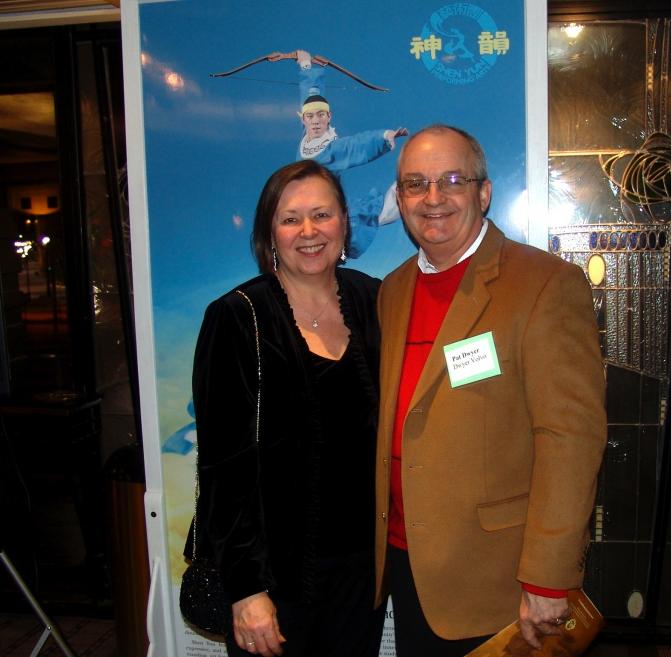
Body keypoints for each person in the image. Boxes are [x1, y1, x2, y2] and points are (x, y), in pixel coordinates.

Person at [374, 124, 607, 656]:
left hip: (500, 579)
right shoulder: (393, 290)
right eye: (415, 184)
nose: (432, 198)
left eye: (452, 180)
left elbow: (570, 438)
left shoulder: (544, 284)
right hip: (409, 567)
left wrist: (548, 579)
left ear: (484, 192)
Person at [190, 159, 384, 657]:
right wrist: (246, 589)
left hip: (363, 571)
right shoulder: (236, 318)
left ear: (344, 222)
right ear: (268, 234)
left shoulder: (374, 300)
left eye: (322, 214)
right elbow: (222, 470)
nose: (309, 231)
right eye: (290, 218)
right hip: (274, 580)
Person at [295, 50, 407, 257]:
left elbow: (355, 146)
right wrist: (305, 66)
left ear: (329, 116)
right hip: (307, 207)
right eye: (310, 116)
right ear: (303, 119)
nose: (316, 121)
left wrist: (383, 136)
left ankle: (404, 196)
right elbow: (310, 95)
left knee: (360, 218)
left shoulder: (330, 150)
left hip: (326, 209)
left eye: (321, 115)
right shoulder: (308, 136)